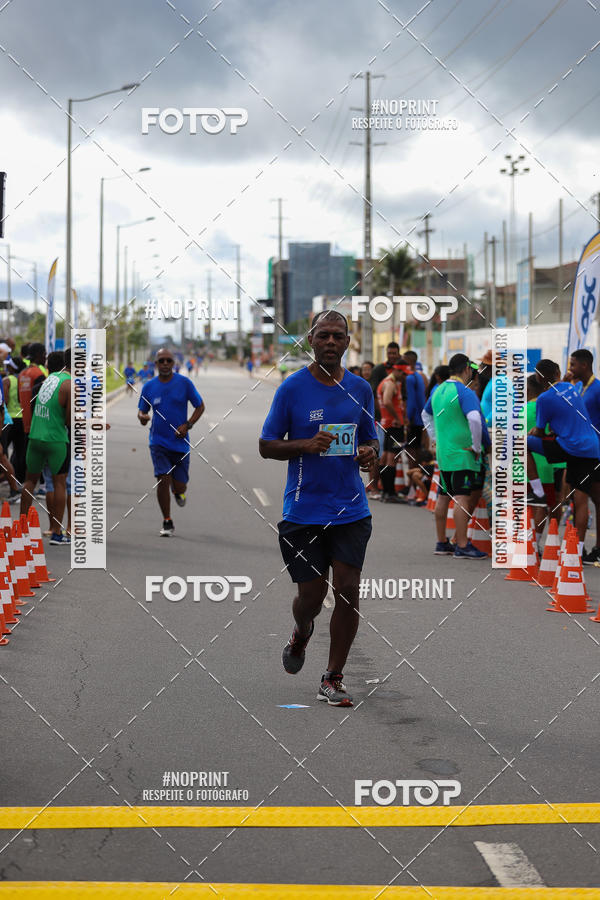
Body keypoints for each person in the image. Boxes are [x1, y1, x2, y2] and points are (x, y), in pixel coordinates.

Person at [259, 310, 378, 707]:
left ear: (348, 341)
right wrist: (304, 445)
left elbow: (371, 441)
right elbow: (266, 445)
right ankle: (302, 628)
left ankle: (333, 677)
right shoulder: (292, 389)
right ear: (311, 339)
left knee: (346, 591)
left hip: (350, 509)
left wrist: (368, 453)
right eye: (324, 335)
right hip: (302, 511)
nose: (331, 342)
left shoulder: (361, 389)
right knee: (311, 597)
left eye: (338, 336)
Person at [527, 358, 600, 552]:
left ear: (539, 379)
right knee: (588, 497)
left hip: (571, 448)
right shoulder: (572, 389)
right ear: (558, 372)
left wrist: (534, 431)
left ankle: (538, 491)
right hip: (593, 447)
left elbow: (541, 432)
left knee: (523, 443)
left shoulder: (544, 398)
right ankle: (580, 548)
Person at [422, 354, 487, 558]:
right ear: (467, 369)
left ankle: (442, 542)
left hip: (444, 454)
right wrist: (476, 446)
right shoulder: (464, 391)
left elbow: (425, 415)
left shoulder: (438, 389)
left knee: (443, 497)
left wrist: (435, 438)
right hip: (462, 454)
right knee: (461, 498)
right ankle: (462, 544)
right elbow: (475, 419)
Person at [138, 348, 205, 536]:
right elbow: (142, 410)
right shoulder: (149, 387)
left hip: (180, 443)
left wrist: (188, 425)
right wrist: (142, 417)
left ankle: (178, 491)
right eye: (162, 361)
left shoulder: (184, 383)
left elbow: (200, 406)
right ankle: (167, 521)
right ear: (156, 364)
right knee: (162, 479)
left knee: (179, 485)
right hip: (158, 442)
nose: (165, 364)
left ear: (173, 363)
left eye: (169, 360)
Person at [19, 350, 71, 545]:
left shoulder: (50, 379)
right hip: (56, 440)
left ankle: (21, 529)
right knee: (59, 484)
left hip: (35, 437)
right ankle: (57, 533)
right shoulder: (70, 384)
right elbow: (69, 420)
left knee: (30, 481)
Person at [565, 349, 600, 563]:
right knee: (594, 499)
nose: (571, 369)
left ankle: (580, 550)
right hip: (581, 452)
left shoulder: (597, 389)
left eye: (573, 365)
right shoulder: (578, 387)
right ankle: (592, 548)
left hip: (593, 454)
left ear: (585, 365)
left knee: (583, 499)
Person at [526, 375, 564, 547]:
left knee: (530, 504)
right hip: (548, 465)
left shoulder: (518, 410)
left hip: (524, 466)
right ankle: (540, 543)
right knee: (548, 504)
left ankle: (527, 543)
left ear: (528, 390)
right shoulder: (547, 408)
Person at [376, 363, 406, 503]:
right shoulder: (390, 383)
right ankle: (390, 492)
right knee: (392, 458)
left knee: (386, 457)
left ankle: (385, 492)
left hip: (387, 425)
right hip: (393, 426)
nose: (404, 377)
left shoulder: (386, 382)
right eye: (403, 374)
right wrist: (396, 417)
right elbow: (387, 401)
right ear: (397, 371)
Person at [404, 351, 427, 453]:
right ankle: (417, 468)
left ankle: (413, 469)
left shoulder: (409, 378)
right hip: (420, 419)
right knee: (417, 449)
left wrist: (407, 419)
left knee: (411, 451)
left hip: (413, 420)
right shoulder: (418, 376)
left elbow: (411, 401)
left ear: (409, 361)